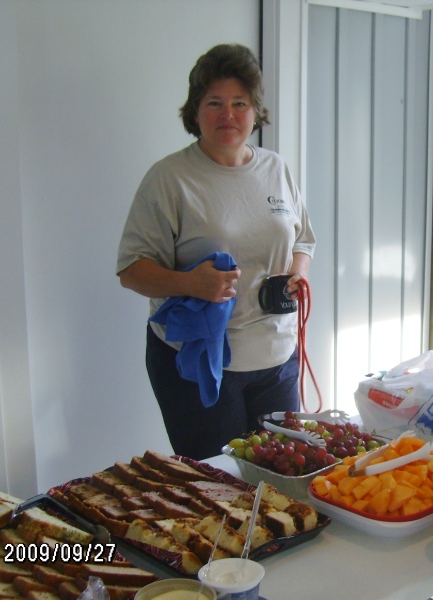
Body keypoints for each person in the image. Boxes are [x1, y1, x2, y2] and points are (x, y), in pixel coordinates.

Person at [116, 43, 315, 460]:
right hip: (199, 367)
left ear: (255, 110)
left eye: (240, 103)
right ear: (195, 111)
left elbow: (303, 239)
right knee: (219, 487)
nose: (228, 115)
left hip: (277, 358)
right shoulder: (170, 178)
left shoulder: (276, 168)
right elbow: (132, 269)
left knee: (281, 477)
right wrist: (189, 283)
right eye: (215, 103)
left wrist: (298, 272)